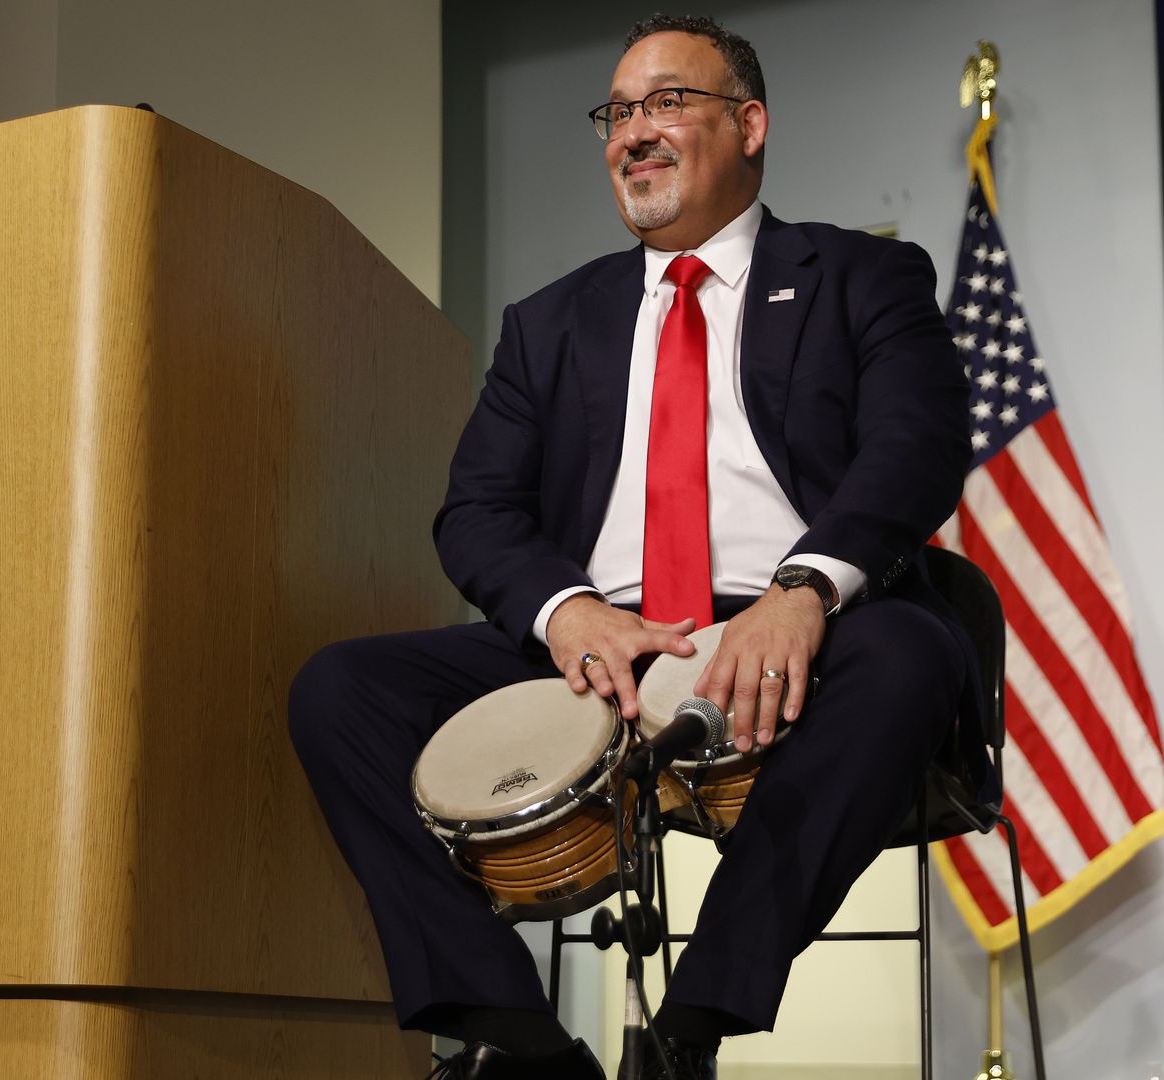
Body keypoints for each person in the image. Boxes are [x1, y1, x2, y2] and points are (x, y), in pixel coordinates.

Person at [288, 14, 984, 1079]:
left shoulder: (860, 279)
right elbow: (475, 512)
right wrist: (570, 614)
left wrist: (802, 592)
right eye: (617, 111)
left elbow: (918, 445)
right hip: (597, 641)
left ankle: (689, 1030)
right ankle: (513, 1038)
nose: (633, 131)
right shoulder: (549, 324)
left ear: (749, 125)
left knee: (907, 654)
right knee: (341, 690)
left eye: (667, 102)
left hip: (789, 626)